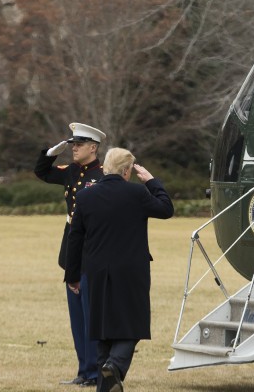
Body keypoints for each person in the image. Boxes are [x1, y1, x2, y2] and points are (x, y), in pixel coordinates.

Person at [64, 148, 174, 392]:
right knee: (132, 324)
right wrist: (151, 182)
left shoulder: (85, 196)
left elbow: (75, 238)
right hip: (131, 270)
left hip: (96, 270)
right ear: (126, 171)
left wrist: (72, 275)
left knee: (103, 330)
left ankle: (105, 386)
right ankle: (114, 365)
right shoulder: (137, 193)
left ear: (105, 167)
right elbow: (166, 209)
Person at [34, 122, 106, 387]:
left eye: (79, 144)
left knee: (90, 313)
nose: (73, 148)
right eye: (72, 144)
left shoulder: (103, 175)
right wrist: (49, 154)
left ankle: (95, 372)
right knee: (77, 316)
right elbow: (42, 172)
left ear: (93, 147)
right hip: (72, 248)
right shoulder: (72, 171)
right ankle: (84, 370)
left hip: (92, 246)